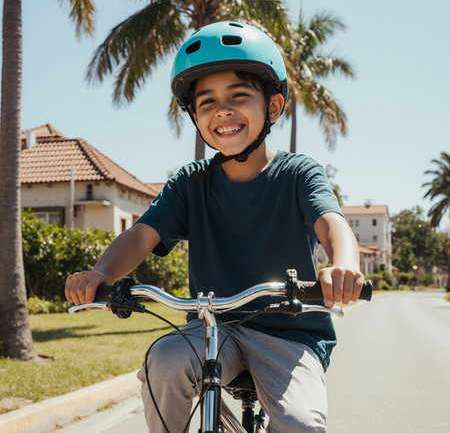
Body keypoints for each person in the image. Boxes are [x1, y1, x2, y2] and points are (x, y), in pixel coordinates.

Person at [65, 21, 364, 432]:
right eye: (206, 102)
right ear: (194, 115)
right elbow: (140, 235)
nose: (222, 110)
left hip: (289, 335)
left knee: (300, 423)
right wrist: (101, 274)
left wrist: (344, 264)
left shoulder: (298, 173)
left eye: (239, 96)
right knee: (163, 363)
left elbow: (332, 225)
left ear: (273, 107)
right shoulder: (189, 183)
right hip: (211, 330)